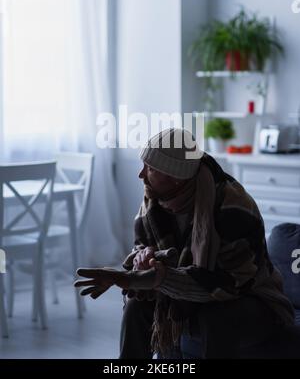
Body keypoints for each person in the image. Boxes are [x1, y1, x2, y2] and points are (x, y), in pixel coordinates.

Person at [75, 127, 295, 359]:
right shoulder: (153, 199)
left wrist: (144, 277)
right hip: (187, 294)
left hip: (252, 299)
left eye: (150, 168)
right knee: (135, 307)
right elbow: (141, 247)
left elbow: (227, 285)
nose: (141, 175)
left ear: (176, 177)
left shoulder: (233, 207)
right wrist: (144, 258)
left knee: (217, 317)